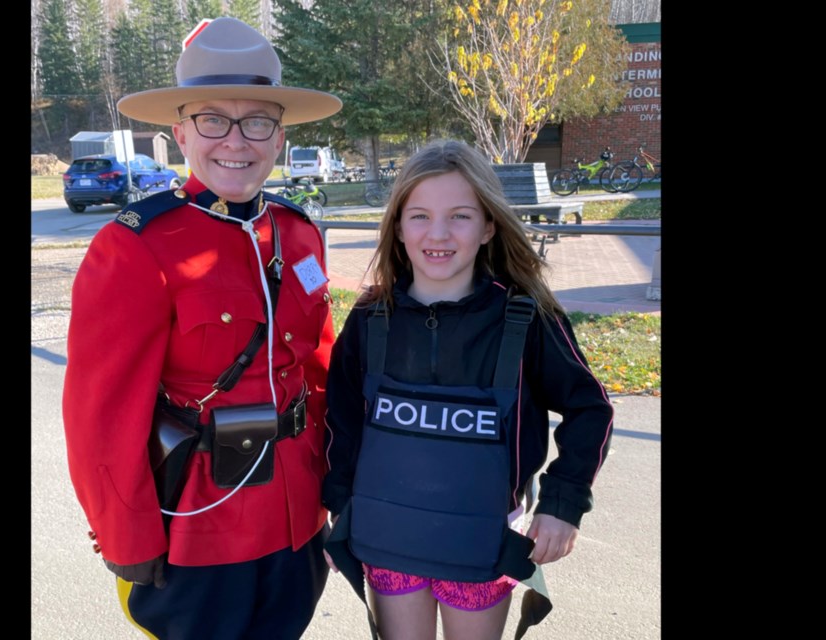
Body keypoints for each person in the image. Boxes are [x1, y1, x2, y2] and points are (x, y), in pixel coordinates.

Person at [62, 17, 343, 640]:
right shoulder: (136, 247)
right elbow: (101, 413)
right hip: (198, 522)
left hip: (298, 515)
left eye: (258, 121)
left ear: (279, 135)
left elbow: (322, 372)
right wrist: (125, 530)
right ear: (180, 131)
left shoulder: (298, 233)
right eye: (213, 119)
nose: (235, 140)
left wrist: (339, 486)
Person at [322, 140, 615, 640]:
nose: (438, 234)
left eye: (460, 216)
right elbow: (342, 421)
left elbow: (591, 410)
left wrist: (562, 506)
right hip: (389, 538)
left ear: (488, 227)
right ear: (396, 226)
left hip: (483, 541)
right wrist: (336, 507)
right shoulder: (372, 318)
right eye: (419, 216)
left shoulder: (526, 318)